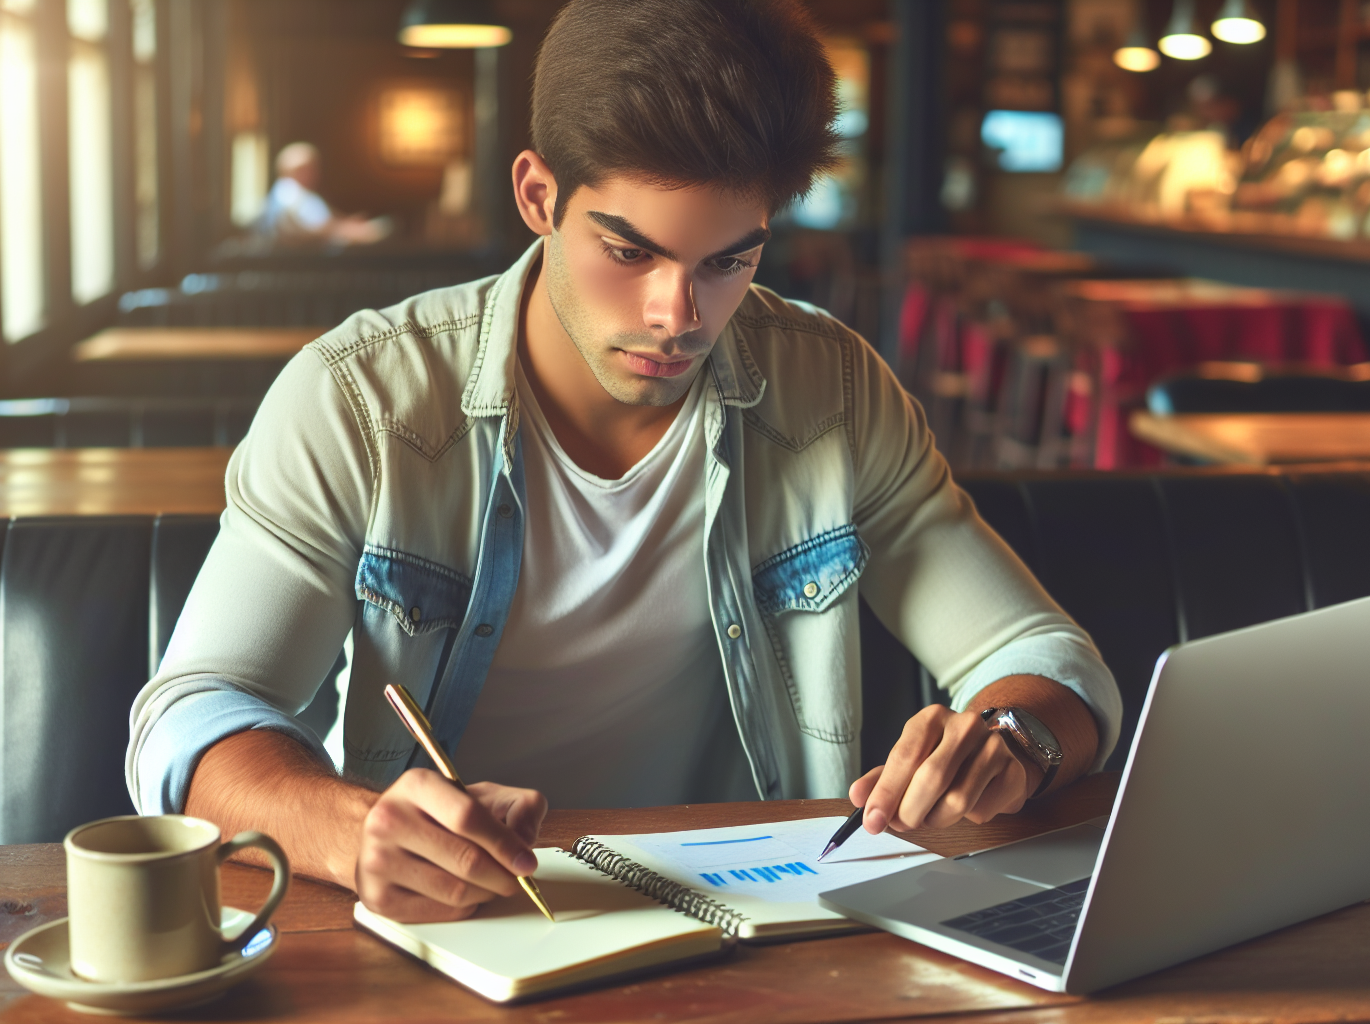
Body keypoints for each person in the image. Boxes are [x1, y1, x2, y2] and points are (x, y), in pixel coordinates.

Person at [127, 0, 1120, 925]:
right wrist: (350, 830)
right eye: (630, 250)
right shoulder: (362, 397)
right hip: (472, 924)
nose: (676, 315)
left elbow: (1047, 661)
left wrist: (1010, 744)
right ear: (538, 195)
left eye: (729, 260)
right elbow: (193, 714)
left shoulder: (832, 389)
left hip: (756, 922)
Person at [257, 142, 390, 246]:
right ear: (293, 170)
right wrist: (355, 231)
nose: (314, 174)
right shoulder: (288, 193)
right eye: (308, 169)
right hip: (308, 266)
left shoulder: (295, 192)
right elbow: (317, 229)